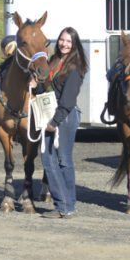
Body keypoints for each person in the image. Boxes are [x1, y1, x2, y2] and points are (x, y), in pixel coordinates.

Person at [37, 27, 88, 219]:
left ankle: (65, 206)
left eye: (68, 41)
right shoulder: (54, 62)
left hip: (63, 116)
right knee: (54, 160)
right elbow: (48, 89)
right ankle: (67, 205)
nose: (64, 44)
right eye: (62, 40)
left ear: (74, 44)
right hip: (51, 113)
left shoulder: (75, 66)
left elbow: (68, 100)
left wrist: (55, 121)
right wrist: (37, 87)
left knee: (59, 160)